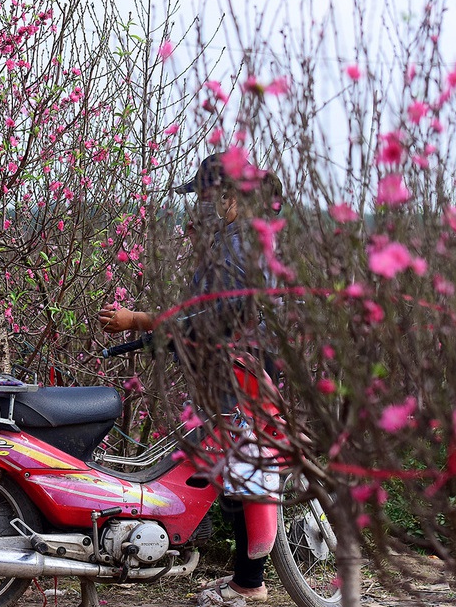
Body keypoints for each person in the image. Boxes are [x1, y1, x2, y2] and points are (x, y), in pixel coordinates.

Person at [98, 153, 281, 606]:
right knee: (232, 472)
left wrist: (140, 319)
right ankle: (243, 578)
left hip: (243, 372)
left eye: (206, 195)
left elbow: (223, 310)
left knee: (245, 472)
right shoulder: (236, 240)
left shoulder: (239, 243)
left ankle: (249, 585)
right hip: (231, 368)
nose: (203, 205)